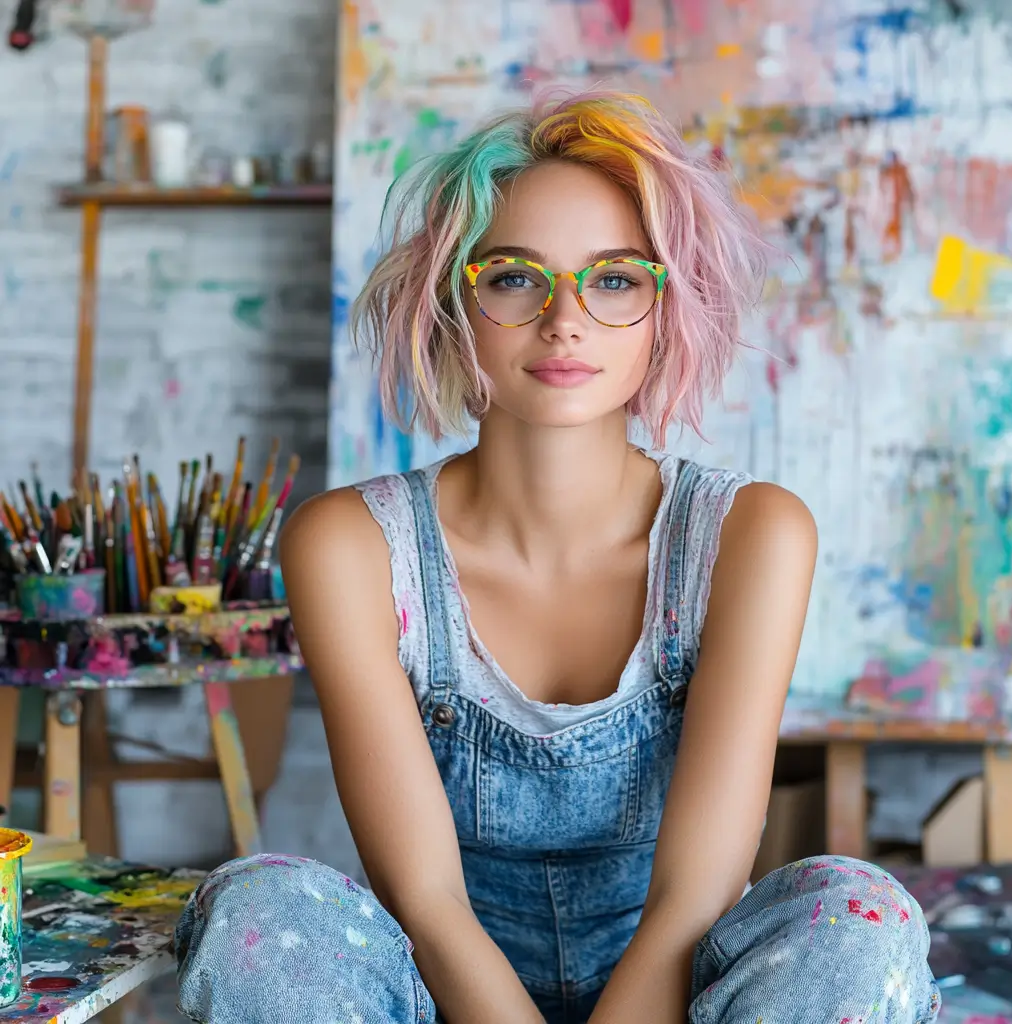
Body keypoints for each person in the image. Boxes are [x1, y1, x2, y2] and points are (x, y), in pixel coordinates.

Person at [174, 90, 939, 1024]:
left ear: (666, 307)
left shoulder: (750, 534)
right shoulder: (352, 545)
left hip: (682, 987)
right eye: (514, 277)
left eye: (614, 279)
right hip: (445, 991)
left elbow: (694, 901)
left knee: (859, 913)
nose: (564, 318)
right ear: (454, 299)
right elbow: (427, 901)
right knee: (255, 905)